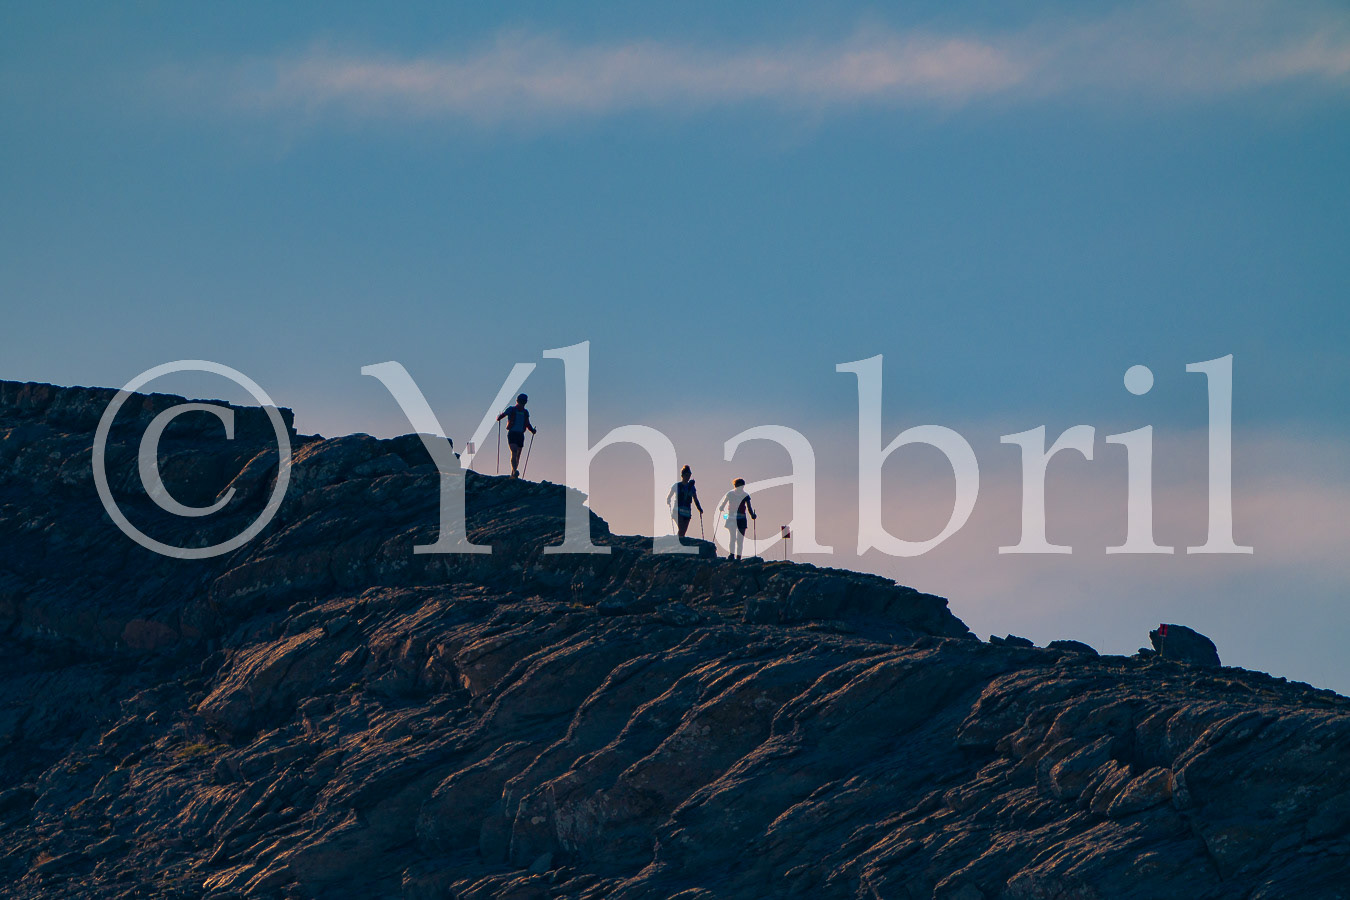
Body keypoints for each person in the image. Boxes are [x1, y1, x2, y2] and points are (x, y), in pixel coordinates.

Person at [495, 393, 537, 478]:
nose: (522, 403)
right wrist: (532, 430)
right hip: (513, 433)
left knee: (517, 455)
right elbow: (503, 415)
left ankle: (513, 473)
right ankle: (514, 471)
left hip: (520, 434)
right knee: (514, 452)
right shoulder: (512, 409)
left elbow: (527, 423)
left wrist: (532, 430)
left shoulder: (525, 412)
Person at [717, 477, 756, 559]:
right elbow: (749, 507)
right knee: (735, 538)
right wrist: (752, 515)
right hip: (737, 518)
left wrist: (721, 507)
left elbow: (724, 503)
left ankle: (735, 556)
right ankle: (734, 555)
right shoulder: (743, 495)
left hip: (735, 518)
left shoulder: (732, 494)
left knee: (737, 539)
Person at [666, 465, 704, 539]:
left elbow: (695, 499)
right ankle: (677, 542)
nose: (688, 477)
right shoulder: (677, 485)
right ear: (682, 475)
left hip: (687, 512)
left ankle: (677, 542)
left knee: (682, 532)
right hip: (677, 511)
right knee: (682, 529)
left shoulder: (692, 487)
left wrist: (699, 508)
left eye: (689, 475)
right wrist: (668, 500)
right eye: (687, 475)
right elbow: (669, 495)